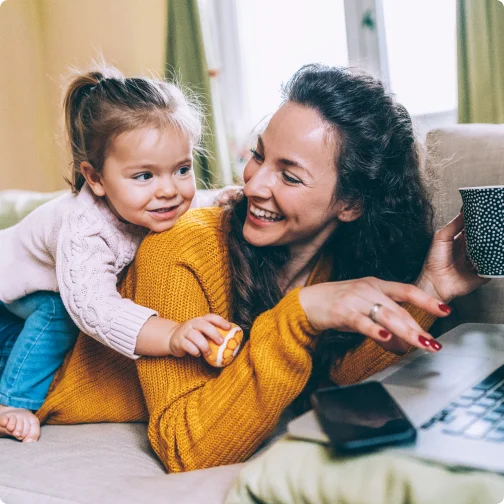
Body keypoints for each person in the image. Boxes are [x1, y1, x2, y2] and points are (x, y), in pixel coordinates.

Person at [36, 64, 486, 472]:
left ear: (350, 204)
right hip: (44, 392)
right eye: (258, 154)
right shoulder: (176, 248)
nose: (253, 183)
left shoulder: (333, 260)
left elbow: (344, 380)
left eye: (289, 176)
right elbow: (184, 446)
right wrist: (296, 318)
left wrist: (430, 288)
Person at [0, 65, 232, 442]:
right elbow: (96, 310)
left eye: (182, 169)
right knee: (59, 311)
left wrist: (226, 199)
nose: (169, 191)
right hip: (12, 288)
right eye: (145, 176)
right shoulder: (85, 230)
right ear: (95, 178)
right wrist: (171, 334)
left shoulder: (157, 203)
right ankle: (11, 400)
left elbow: (198, 202)